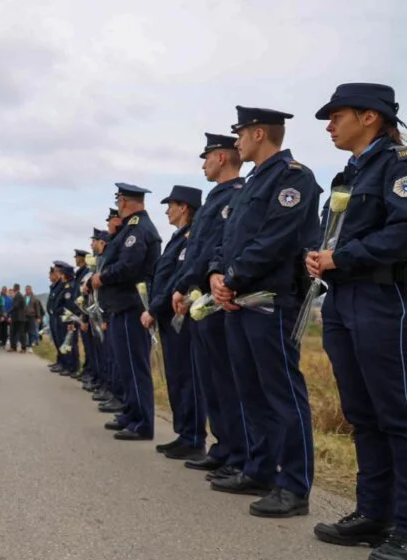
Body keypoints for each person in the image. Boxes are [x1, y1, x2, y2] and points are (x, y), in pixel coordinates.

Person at [306, 83, 406, 556]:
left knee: (397, 413)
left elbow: (403, 232)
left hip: (384, 299)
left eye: (337, 116)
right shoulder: (346, 175)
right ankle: (373, 514)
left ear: (370, 117)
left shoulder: (399, 166)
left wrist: (342, 257)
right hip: (343, 300)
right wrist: (320, 257)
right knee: (362, 412)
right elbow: (335, 235)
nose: (329, 126)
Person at [208, 106, 321, 517]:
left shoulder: (294, 177)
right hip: (239, 300)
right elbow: (228, 238)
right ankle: (259, 470)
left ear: (258, 134)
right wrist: (216, 273)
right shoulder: (252, 182)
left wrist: (232, 277)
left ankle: (294, 486)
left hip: (271, 301)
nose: (236, 141)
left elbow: (276, 239)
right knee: (250, 391)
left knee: (281, 393)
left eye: (240, 134)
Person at [172, 133, 248, 479]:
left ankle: (238, 453)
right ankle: (223, 448)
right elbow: (196, 253)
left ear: (220, 157)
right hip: (201, 297)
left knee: (226, 380)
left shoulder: (234, 195)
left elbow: (214, 250)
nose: (203, 165)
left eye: (206, 158)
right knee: (212, 380)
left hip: (216, 297)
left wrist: (192, 283)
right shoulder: (214, 199)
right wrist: (185, 287)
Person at [93, 183, 160, 442]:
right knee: (126, 366)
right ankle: (132, 413)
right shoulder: (129, 229)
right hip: (122, 306)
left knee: (135, 366)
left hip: (132, 306)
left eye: (118, 201)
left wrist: (102, 277)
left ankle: (142, 422)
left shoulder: (139, 229)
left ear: (122, 200)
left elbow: (129, 267)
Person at [143, 185, 206, 460]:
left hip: (180, 315)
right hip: (169, 316)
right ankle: (184, 433)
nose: (167, 211)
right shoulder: (178, 237)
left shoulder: (191, 237)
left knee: (187, 377)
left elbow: (175, 280)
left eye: (170, 206)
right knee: (176, 377)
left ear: (184, 207)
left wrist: (154, 309)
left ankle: (194, 439)